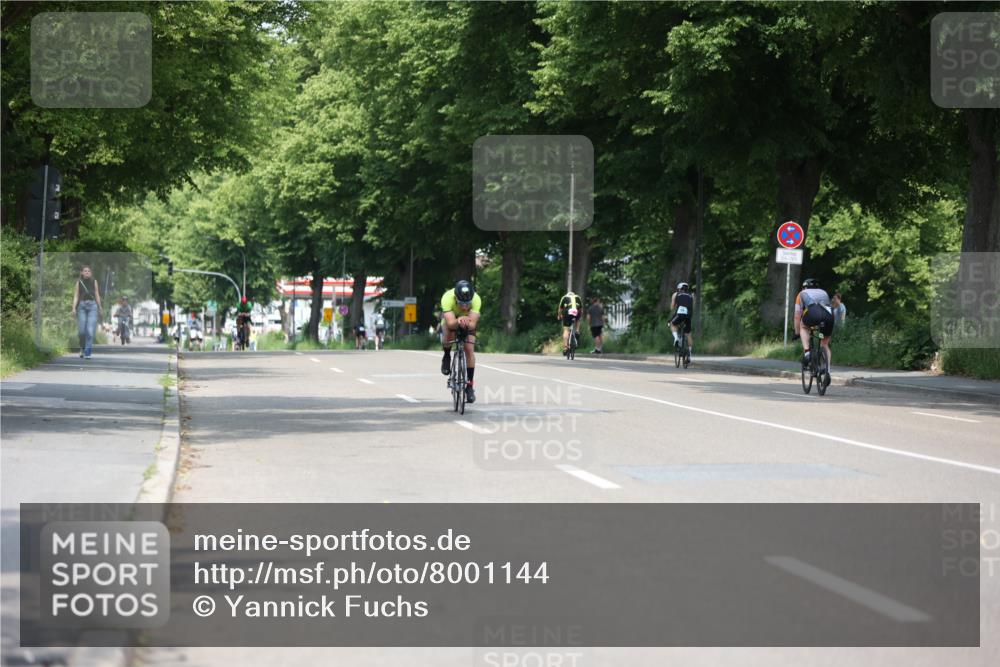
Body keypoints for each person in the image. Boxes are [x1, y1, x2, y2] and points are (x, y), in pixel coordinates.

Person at [440, 279, 481, 404]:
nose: (464, 306)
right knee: (448, 331)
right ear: (455, 297)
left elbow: (472, 325)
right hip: (452, 320)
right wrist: (458, 320)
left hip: (468, 322)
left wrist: (466, 321)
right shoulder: (447, 298)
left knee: (469, 349)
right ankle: (447, 355)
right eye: (461, 303)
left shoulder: (476, 299)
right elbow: (451, 323)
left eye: (467, 303)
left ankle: (469, 386)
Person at [794, 278, 835, 381]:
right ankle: (827, 371)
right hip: (829, 314)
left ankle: (807, 353)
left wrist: (797, 332)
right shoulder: (824, 292)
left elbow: (797, 315)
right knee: (825, 344)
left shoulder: (802, 293)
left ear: (804, 287)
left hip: (813, 312)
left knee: (803, 326)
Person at [72, 265, 103, 359]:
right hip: (81, 306)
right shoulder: (79, 282)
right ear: (81, 272)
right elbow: (76, 296)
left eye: (89, 271)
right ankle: (82, 347)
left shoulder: (94, 282)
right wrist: (73, 308)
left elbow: (97, 294)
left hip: (92, 307)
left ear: (91, 273)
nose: (87, 272)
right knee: (81, 331)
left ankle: (88, 352)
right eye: (85, 271)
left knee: (89, 331)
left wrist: (100, 307)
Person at [670, 282, 694, 356]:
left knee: (672, 324)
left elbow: (672, 307)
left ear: (679, 289)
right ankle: (689, 354)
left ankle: (676, 338)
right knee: (688, 334)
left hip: (679, 314)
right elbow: (692, 306)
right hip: (688, 315)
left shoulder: (675, 294)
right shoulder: (692, 295)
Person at [557, 290, 582, 356]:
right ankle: (577, 330)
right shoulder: (578, 297)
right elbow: (580, 309)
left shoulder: (564, 297)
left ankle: (565, 347)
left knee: (566, 330)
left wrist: (559, 316)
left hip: (567, 313)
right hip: (576, 312)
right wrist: (579, 316)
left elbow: (560, 309)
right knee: (578, 319)